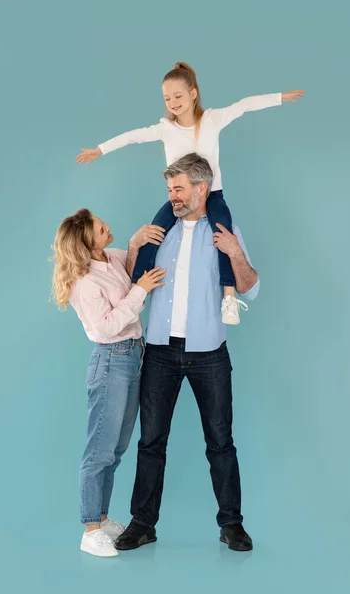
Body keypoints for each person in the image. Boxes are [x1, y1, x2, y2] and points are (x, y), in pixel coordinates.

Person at [76, 61, 303, 324]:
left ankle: (229, 297)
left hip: (212, 195)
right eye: (167, 98)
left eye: (178, 96)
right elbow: (132, 136)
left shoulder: (212, 120)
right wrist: (99, 150)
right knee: (153, 234)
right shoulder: (165, 129)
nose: (172, 102)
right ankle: (136, 286)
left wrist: (280, 98)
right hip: (178, 199)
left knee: (224, 236)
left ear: (193, 94)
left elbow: (243, 105)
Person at [115, 153, 259, 553]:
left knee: (220, 443)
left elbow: (249, 285)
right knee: (150, 443)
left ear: (201, 189)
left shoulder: (225, 230)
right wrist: (132, 246)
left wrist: (234, 252)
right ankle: (143, 524)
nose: (172, 196)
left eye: (178, 188)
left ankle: (231, 524)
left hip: (209, 353)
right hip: (160, 352)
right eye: (169, 190)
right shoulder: (161, 233)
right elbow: (131, 283)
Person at [51, 208, 166, 557]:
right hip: (111, 359)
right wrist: (141, 291)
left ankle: (101, 517)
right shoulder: (86, 281)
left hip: (134, 356)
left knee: (115, 450)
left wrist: (134, 242)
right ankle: (90, 530)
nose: (108, 228)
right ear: (88, 243)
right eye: (102, 229)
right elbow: (105, 326)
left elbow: (129, 266)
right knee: (98, 451)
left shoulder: (109, 258)